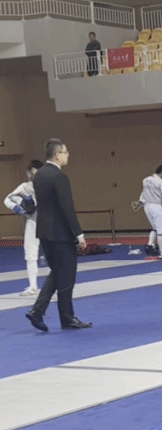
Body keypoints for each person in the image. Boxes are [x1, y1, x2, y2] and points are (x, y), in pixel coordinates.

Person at [26, 139, 91, 332]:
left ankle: (39, 311)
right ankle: (65, 317)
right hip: (61, 233)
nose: (67, 155)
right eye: (65, 152)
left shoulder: (39, 175)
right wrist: (79, 234)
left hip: (44, 231)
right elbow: (67, 208)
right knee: (67, 275)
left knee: (57, 272)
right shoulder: (59, 176)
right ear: (57, 155)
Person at [5, 160, 45, 296]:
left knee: (55, 253)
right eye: (33, 173)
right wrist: (16, 206)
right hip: (32, 222)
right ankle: (33, 286)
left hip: (49, 222)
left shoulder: (49, 186)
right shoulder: (24, 187)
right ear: (28, 173)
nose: (34, 176)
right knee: (30, 254)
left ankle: (58, 284)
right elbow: (7, 199)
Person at [139, 165, 162, 257]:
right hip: (156, 206)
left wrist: (141, 202)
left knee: (155, 227)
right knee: (161, 229)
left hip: (146, 206)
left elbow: (143, 194)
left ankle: (150, 245)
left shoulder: (145, 180)